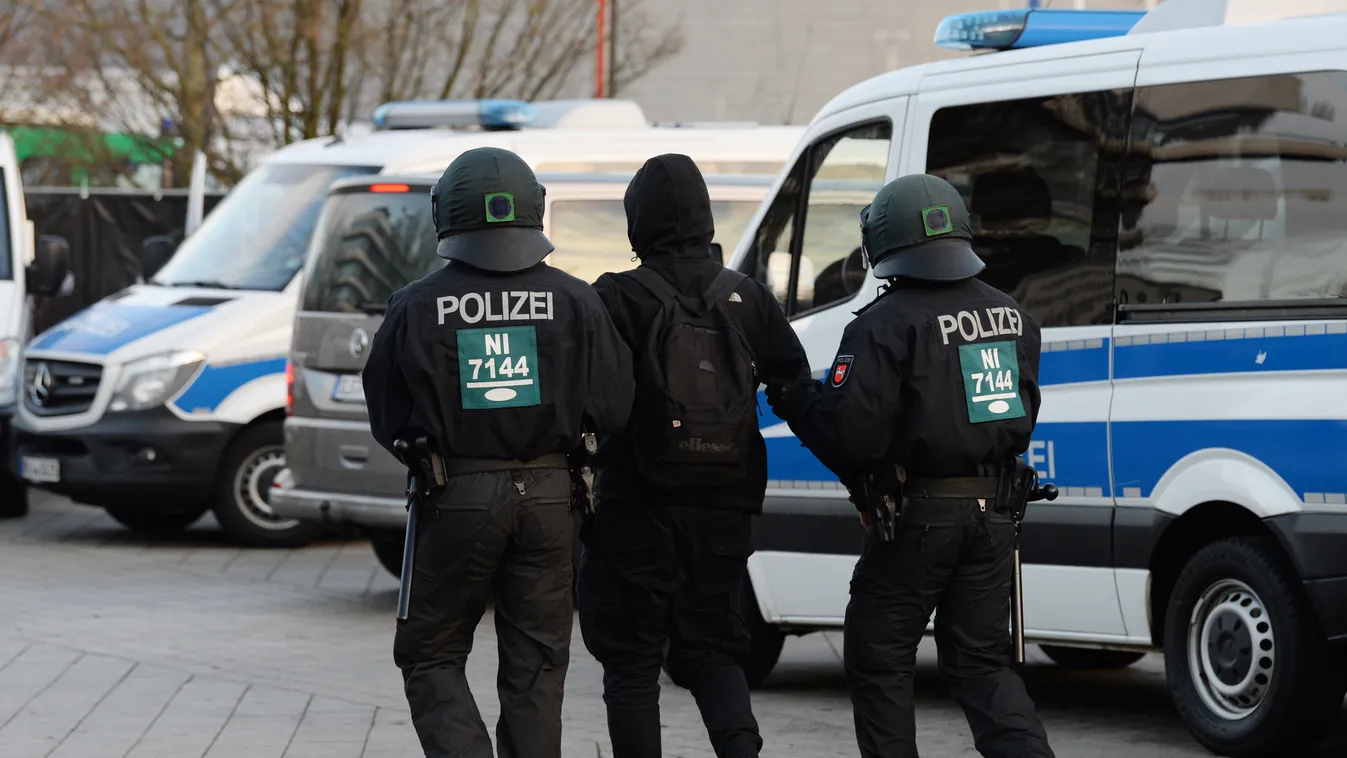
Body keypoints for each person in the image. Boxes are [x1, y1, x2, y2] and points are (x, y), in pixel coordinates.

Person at [766, 174, 1056, 758]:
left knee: (878, 656)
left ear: (881, 244)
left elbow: (854, 439)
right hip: (996, 515)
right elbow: (1017, 417)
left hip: (918, 520)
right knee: (980, 663)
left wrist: (794, 397)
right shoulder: (1012, 316)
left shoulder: (881, 325)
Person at [362, 146, 634, 758]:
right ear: (534, 210)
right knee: (536, 665)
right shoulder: (577, 301)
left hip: (455, 496)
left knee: (430, 652)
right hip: (551, 498)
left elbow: (387, 411)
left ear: (445, 213)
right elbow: (615, 406)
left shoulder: (415, 304)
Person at [577, 153, 810, 758]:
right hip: (726, 506)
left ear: (639, 222)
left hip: (636, 506)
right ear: (706, 219)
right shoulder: (747, 298)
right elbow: (795, 386)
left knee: (630, 664)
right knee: (712, 650)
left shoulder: (615, 297)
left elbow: (590, 399)